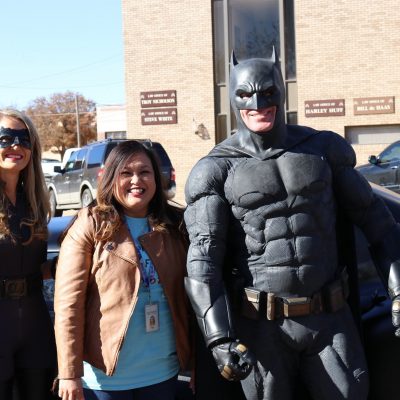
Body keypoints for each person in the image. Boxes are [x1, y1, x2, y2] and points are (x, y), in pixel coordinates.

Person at [184, 49, 400, 400]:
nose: (258, 103)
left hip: (329, 319)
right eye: (246, 95)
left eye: (268, 92)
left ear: (282, 92)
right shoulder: (215, 169)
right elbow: (203, 261)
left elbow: (379, 223)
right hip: (260, 326)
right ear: (233, 98)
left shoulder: (322, 149)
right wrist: (219, 337)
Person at [54, 140, 192, 400]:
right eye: (126, 173)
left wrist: (196, 363)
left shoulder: (177, 225)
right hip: (104, 377)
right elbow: (68, 305)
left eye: (144, 172)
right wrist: (69, 373)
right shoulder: (91, 224)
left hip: (162, 371)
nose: (136, 180)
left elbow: (192, 298)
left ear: (156, 177)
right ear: (109, 178)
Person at [0, 109, 57, 399]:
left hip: (35, 322)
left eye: (24, 139)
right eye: (5, 138)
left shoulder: (34, 201)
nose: (16, 146)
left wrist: (67, 264)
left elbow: (37, 269)